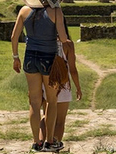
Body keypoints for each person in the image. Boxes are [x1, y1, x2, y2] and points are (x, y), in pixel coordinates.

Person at [11, 0, 70, 152]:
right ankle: (50, 141)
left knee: (34, 102)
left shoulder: (23, 11)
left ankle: (36, 141)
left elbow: (14, 37)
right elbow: (63, 37)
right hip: (48, 59)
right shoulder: (55, 12)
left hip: (30, 58)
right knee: (51, 101)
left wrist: (15, 57)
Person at [39, 19, 82, 150]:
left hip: (47, 83)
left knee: (46, 116)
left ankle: (40, 143)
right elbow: (73, 69)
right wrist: (78, 88)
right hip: (63, 84)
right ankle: (54, 147)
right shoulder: (68, 45)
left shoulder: (44, 43)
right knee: (60, 121)